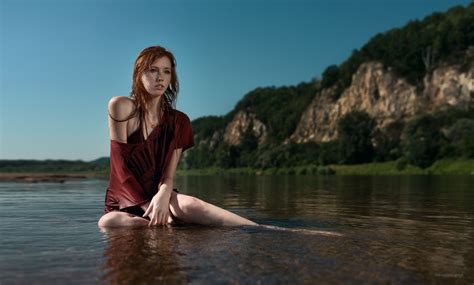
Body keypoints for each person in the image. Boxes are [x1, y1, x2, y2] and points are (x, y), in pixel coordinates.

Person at [97, 46, 257, 228]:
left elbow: (168, 176)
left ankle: (263, 230)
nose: (161, 78)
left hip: (158, 195)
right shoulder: (121, 106)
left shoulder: (179, 121)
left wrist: (163, 196)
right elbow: (120, 168)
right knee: (107, 222)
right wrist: (147, 206)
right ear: (138, 74)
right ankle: (165, 226)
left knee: (192, 205)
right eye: (153, 70)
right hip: (124, 199)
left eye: (167, 71)